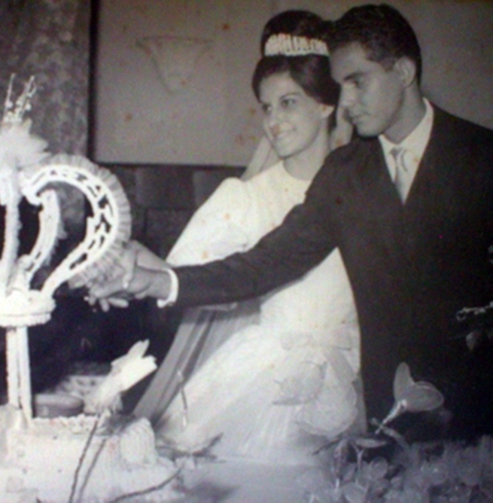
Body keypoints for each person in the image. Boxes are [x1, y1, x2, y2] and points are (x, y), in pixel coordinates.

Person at [92, 4, 493, 442]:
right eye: (341, 86)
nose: (346, 103)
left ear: (403, 71)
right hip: (382, 415)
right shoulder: (345, 172)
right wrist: (158, 282)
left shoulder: (481, 156)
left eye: (358, 82)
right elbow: (265, 263)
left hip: (473, 409)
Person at [129, 11, 360, 464]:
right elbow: (191, 275)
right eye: (267, 107)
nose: (273, 121)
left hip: (355, 367)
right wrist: (132, 264)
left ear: (325, 105)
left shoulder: (364, 187)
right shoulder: (248, 197)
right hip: (267, 376)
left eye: (288, 103)